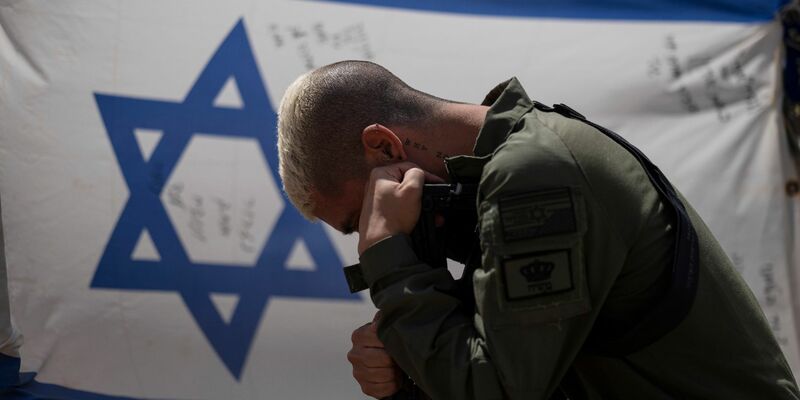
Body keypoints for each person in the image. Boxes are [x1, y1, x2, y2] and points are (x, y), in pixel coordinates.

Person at [276, 60, 799, 399]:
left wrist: (392, 263)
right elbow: (524, 362)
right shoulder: (502, 172)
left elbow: (497, 391)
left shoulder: (534, 174)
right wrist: (405, 372)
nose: (372, 228)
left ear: (386, 148)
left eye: (360, 217)